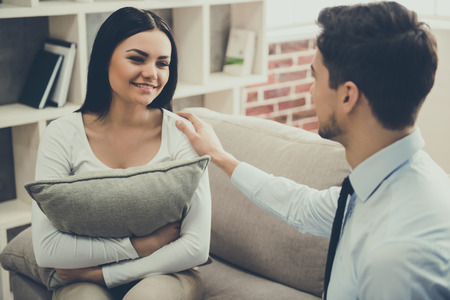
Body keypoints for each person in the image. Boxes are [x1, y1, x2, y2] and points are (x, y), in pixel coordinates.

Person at [176, 2, 450, 299]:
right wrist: (221, 157)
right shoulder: (381, 180)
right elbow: (303, 207)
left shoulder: (398, 256)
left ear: (348, 96)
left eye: (315, 76)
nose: (310, 91)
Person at [32, 7, 211, 300]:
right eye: (137, 59)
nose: (152, 73)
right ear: (105, 61)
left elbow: (196, 245)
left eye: (163, 63)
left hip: (166, 274)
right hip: (80, 279)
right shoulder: (62, 134)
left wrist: (105, 274)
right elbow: (47, 248)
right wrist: (140, 245)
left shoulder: (182, 135)